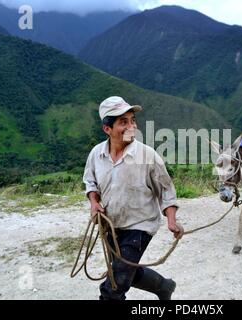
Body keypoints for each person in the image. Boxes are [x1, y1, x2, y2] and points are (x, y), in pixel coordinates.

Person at [83, 96, 182, 300]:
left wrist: (171, 220)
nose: (131, 127)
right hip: (111, 225)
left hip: (140, 226)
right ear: (107, 129)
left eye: (132, 120)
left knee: (114, 286)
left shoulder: (148, 155)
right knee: (127, 272)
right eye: (123, 122)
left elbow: (166, 190)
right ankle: (164, 287)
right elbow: (90, 182)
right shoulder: (96, 154)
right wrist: (94, 202)